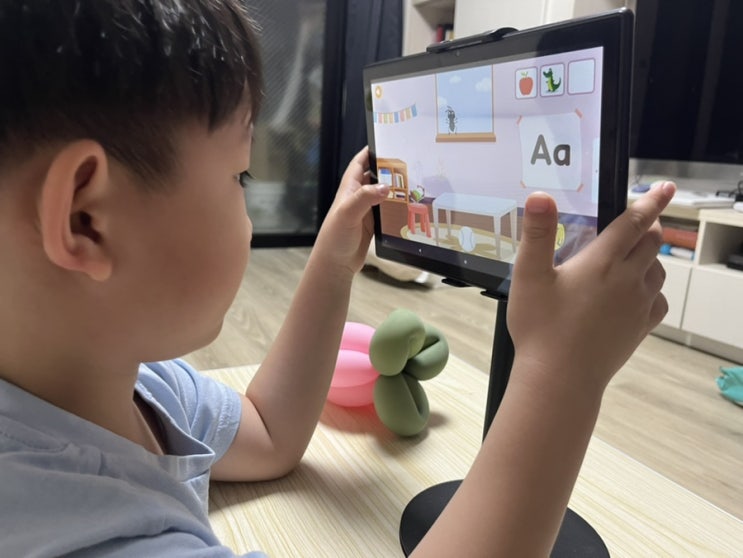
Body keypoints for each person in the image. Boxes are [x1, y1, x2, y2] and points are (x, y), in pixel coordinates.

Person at [0, 1, 675, 556]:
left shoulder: (130, 385)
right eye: (239, 174)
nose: (246, 200)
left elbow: (268, 433)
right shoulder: (76, 531)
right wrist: (562, 374)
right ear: (86, 220)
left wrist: (331, 262)